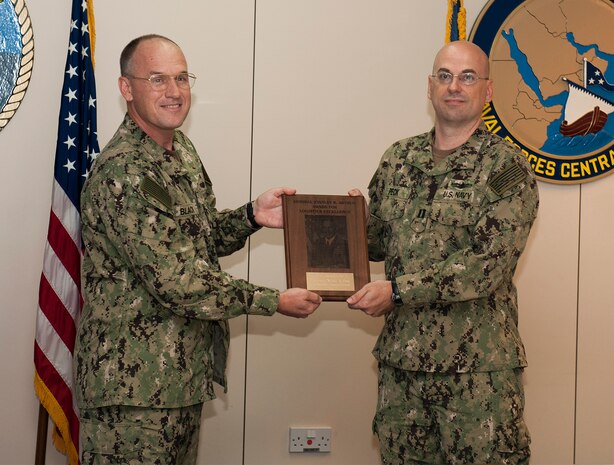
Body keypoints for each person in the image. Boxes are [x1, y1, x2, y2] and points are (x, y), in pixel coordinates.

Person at [74, 34, 322, 465]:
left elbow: (197, 242)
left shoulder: (179, 151)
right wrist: (273, 301)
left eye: (181, 78)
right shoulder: (124, 172)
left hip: (176, 382)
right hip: (132, 397)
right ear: (126, 88)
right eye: (157, 79)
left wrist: (251, 216)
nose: (174, 92)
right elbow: (179, 282)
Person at [347, 40, 539, 465]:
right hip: (402, 367)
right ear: (430, 87)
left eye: (468, 76)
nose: (455, 86)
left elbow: (485, 266)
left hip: (476, 376)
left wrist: (396, 291)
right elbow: (376, 243)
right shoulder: (398, 158)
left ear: (487, 91)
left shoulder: (506, 167)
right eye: (445, 76)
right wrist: (346, 222)